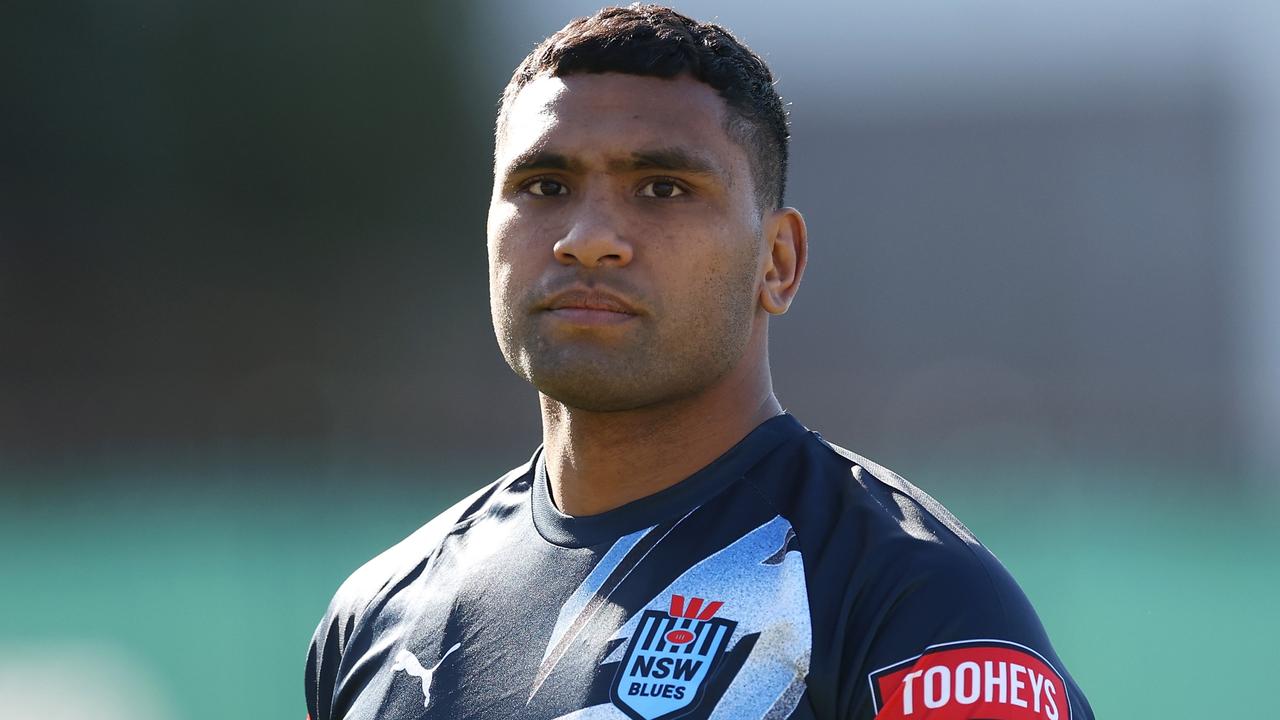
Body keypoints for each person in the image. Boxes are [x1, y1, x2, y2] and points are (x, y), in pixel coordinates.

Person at [305, 5, 1094, 719]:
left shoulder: (911, 602)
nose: (587, 237)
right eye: (545, 184)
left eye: (661, 188)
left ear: (777, 263)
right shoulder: (380, 615)